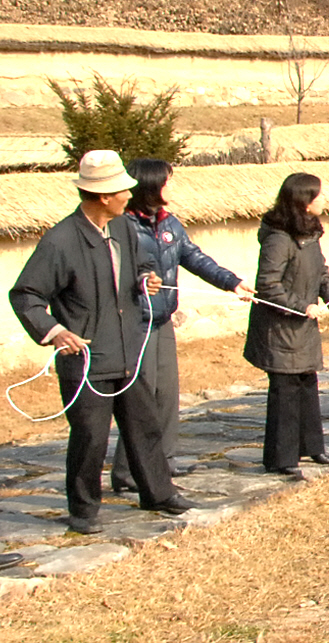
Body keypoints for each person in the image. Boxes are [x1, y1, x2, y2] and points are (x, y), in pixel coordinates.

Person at [10, 151, 192, 534]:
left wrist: (145, 278)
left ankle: (159, 493)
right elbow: (25, 294)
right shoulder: (60, 241)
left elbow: (140, 264)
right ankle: (84, 510)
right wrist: (55, 331)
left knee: (144, 426)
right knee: (90, 436)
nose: (130, 194)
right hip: (87, 357)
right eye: (122, 190)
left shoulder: (124, 227)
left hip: (128, 348)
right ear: (103, 196)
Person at [111, 158, 254, 490]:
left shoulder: (169, 223)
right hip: (135, 324)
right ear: (148, 187)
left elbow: (193, 256)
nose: (171, 187)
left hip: (162, 322)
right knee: (140, 400)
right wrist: (140, 282)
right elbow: (114, 273)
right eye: (167, 182)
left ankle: (163, 462)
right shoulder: (122, 228)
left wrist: (231, 282)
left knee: (167, 396)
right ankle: (127, 472)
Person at [244, 172, 329, 479]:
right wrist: (302, 306)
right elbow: (268, 285)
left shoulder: (311, 234)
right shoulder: (278, 238)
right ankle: (281, 457)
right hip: (280, 328)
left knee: (307, 385)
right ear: (303, 202)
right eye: (318, 196)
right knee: (285, 392)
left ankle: (312, 446)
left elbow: (320, 270)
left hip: (303, 329)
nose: (323, 200)